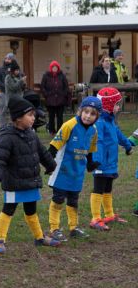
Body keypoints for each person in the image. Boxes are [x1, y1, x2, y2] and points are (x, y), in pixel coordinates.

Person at [0, 95, 60, 254]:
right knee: (8, 211)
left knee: (31, 212)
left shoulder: (31, 133)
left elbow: (43, 153)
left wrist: (51, 166)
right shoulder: (7, 137)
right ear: (18, 118)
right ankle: (0, 240)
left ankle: (39, 237)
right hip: (14, 183)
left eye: (34, 115)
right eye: (30, 115)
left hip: (30, 181)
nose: (34, 118)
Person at [46, 97, 101, 241]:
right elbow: (54, 145)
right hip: (62, 170)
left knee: (73, 200)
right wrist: (49, 163)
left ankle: (73, 227)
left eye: (93, 114)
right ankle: (54, 228)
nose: (88, 116)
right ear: (80, 111)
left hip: (78, 171)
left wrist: (90, 164)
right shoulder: (69, 125)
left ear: (97, 116)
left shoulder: (94, 131)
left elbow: (90, 150)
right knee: (58, 199)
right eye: (86, 112)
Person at [89, 87, 133, 231]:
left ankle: (109, 215)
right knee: (98, 190)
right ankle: (95, 218)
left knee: (108, 189)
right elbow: (98, 142)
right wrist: (97, 161)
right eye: (116, 104)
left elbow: (118, 134)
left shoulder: (111, 120)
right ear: (108, 105)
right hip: (101, 164)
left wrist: (127, 145)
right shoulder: (100, 122)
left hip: (110, 163)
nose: (118, 107)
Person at [40, 60, 70, 135]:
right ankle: (51, 130)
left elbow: (66, 86)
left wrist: (63, 94)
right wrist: (46, 94)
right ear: (51, 68)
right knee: (51, 116)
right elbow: (42, 87)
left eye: (56, 67)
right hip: (50, 100)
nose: (54, 68)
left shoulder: (62, 76)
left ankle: (60, 131)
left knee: (60, 117)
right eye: (53, 67)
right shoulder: (46, 76)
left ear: (58, 68)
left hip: (60, 99)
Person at [0, 53, 16, 129]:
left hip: (13, 93)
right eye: (6, 58)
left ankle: (13, 126)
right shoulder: (1, 69)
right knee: (3, 110)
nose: (7, 60)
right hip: (3, 93)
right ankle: (2, 127)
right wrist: (5, 86)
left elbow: (19, 77)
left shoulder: (15, 69)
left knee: (13, 110)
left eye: (9, 59)